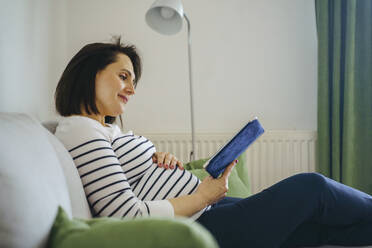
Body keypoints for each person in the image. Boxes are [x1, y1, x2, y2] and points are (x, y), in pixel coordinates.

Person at [54, 37, 372, 248]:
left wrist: (158, 161)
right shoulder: (79, 129)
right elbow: (124, 214)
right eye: (123, 76)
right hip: (200, 224)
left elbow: (129, 181)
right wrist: (202, 195)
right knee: (311, 188)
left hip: (204, 213)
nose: (131, 90)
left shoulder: (105, 131)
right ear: (88, 73)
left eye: (133, 81)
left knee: (317, 230)